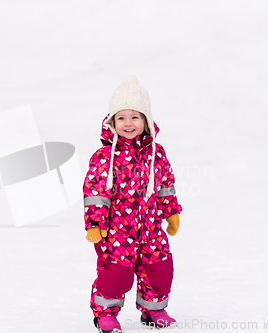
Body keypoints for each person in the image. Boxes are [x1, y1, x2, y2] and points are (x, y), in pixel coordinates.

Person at [83, 75, 182, 333]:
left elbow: (165, 185)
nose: (128, 123)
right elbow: (96, 192)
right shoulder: (105, 156)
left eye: (135, 117)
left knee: (159, 268)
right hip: (117, 230)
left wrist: (170, 212)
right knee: (116, 273)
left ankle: (154, 309)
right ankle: (105, 313)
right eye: (121, 117)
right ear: (112, 121)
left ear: (146, 120)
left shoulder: (156, 153)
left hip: (151, 228)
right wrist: (95, 224)